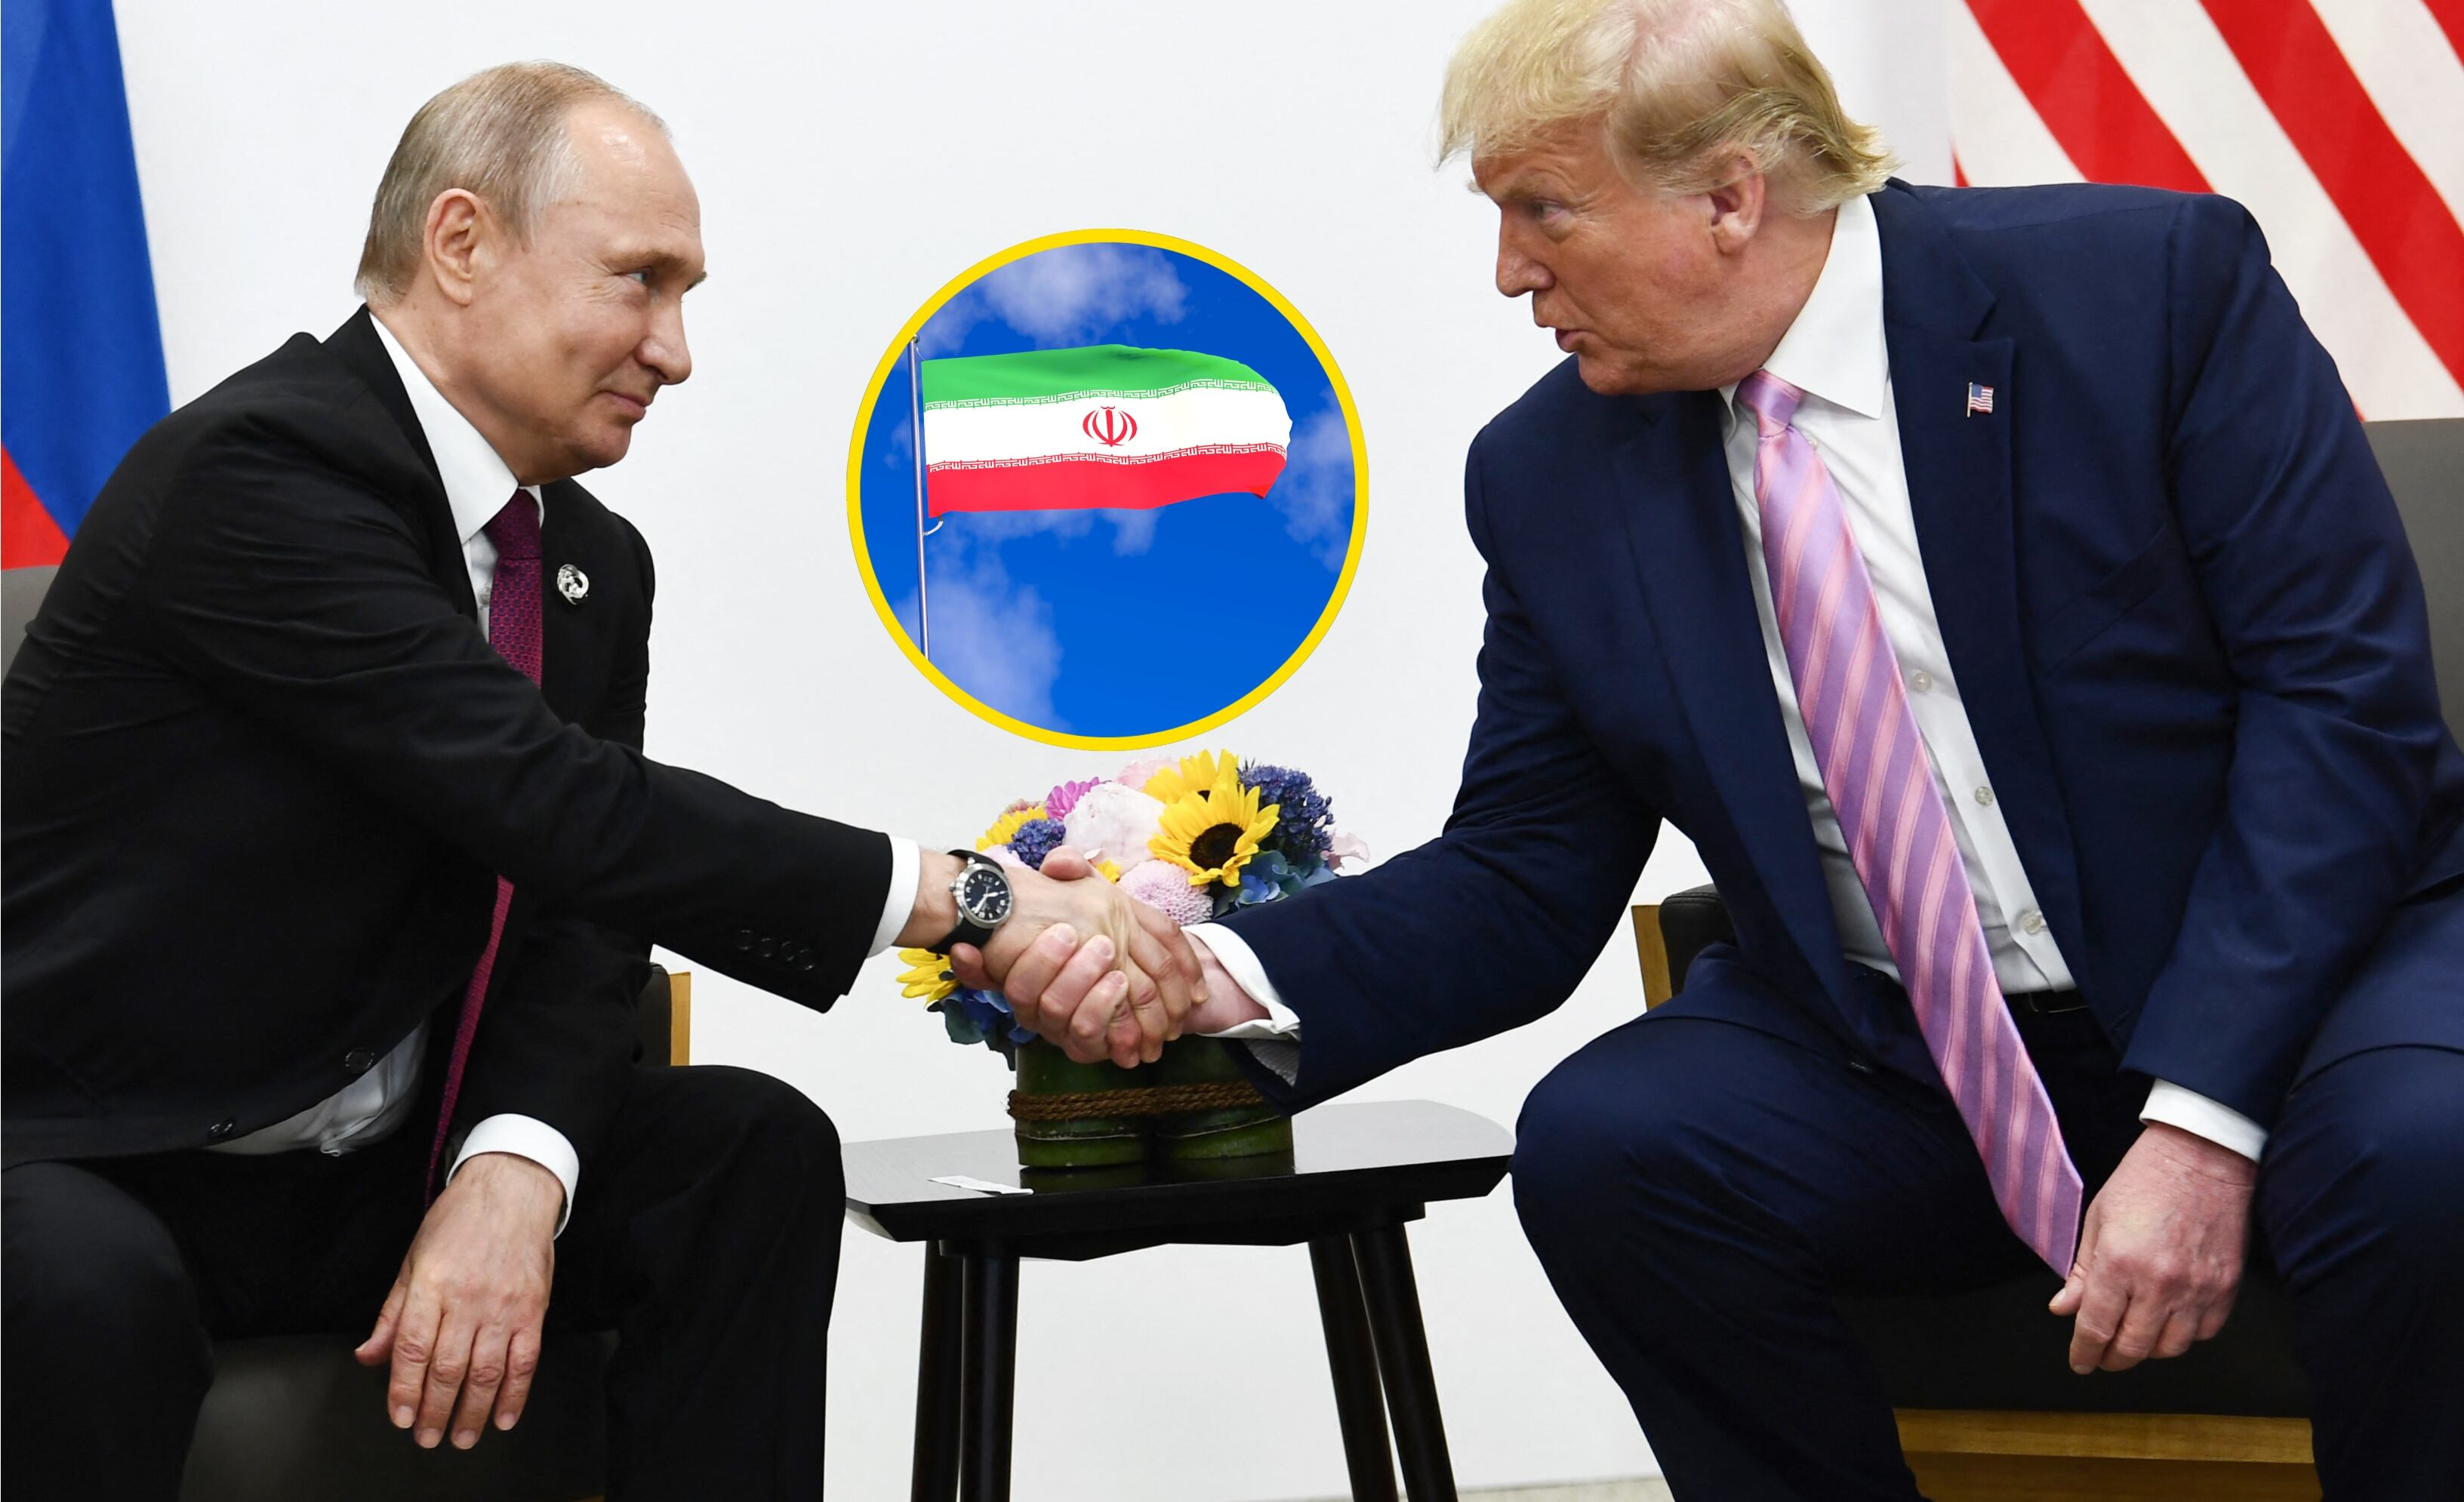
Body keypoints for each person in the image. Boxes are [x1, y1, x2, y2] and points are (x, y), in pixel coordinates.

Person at [984, 2, 2464, 1497]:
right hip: (1911, 1059)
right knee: (1618, 1145)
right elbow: (1527, 866)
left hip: (2296, 996)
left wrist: (2202, 1118)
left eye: (1542, 210)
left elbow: (2340, 711)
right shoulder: (1550, 471)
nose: (1511, 272)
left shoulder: (2144, 291)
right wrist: (1216, 974)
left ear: (1730, 195)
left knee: (2428, 1147)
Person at [0, 62, 1200, 1500]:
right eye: (639, 281)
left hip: (363, 1155)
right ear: (462, 244)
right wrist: (968, 894)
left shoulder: (588, 560)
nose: (675, 348)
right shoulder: (255, 474)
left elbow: (579, 909)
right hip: (95, 1147)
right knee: (83, 1288)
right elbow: (553, 800)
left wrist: (517, 1164)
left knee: (746, 1153)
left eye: (685, 293)